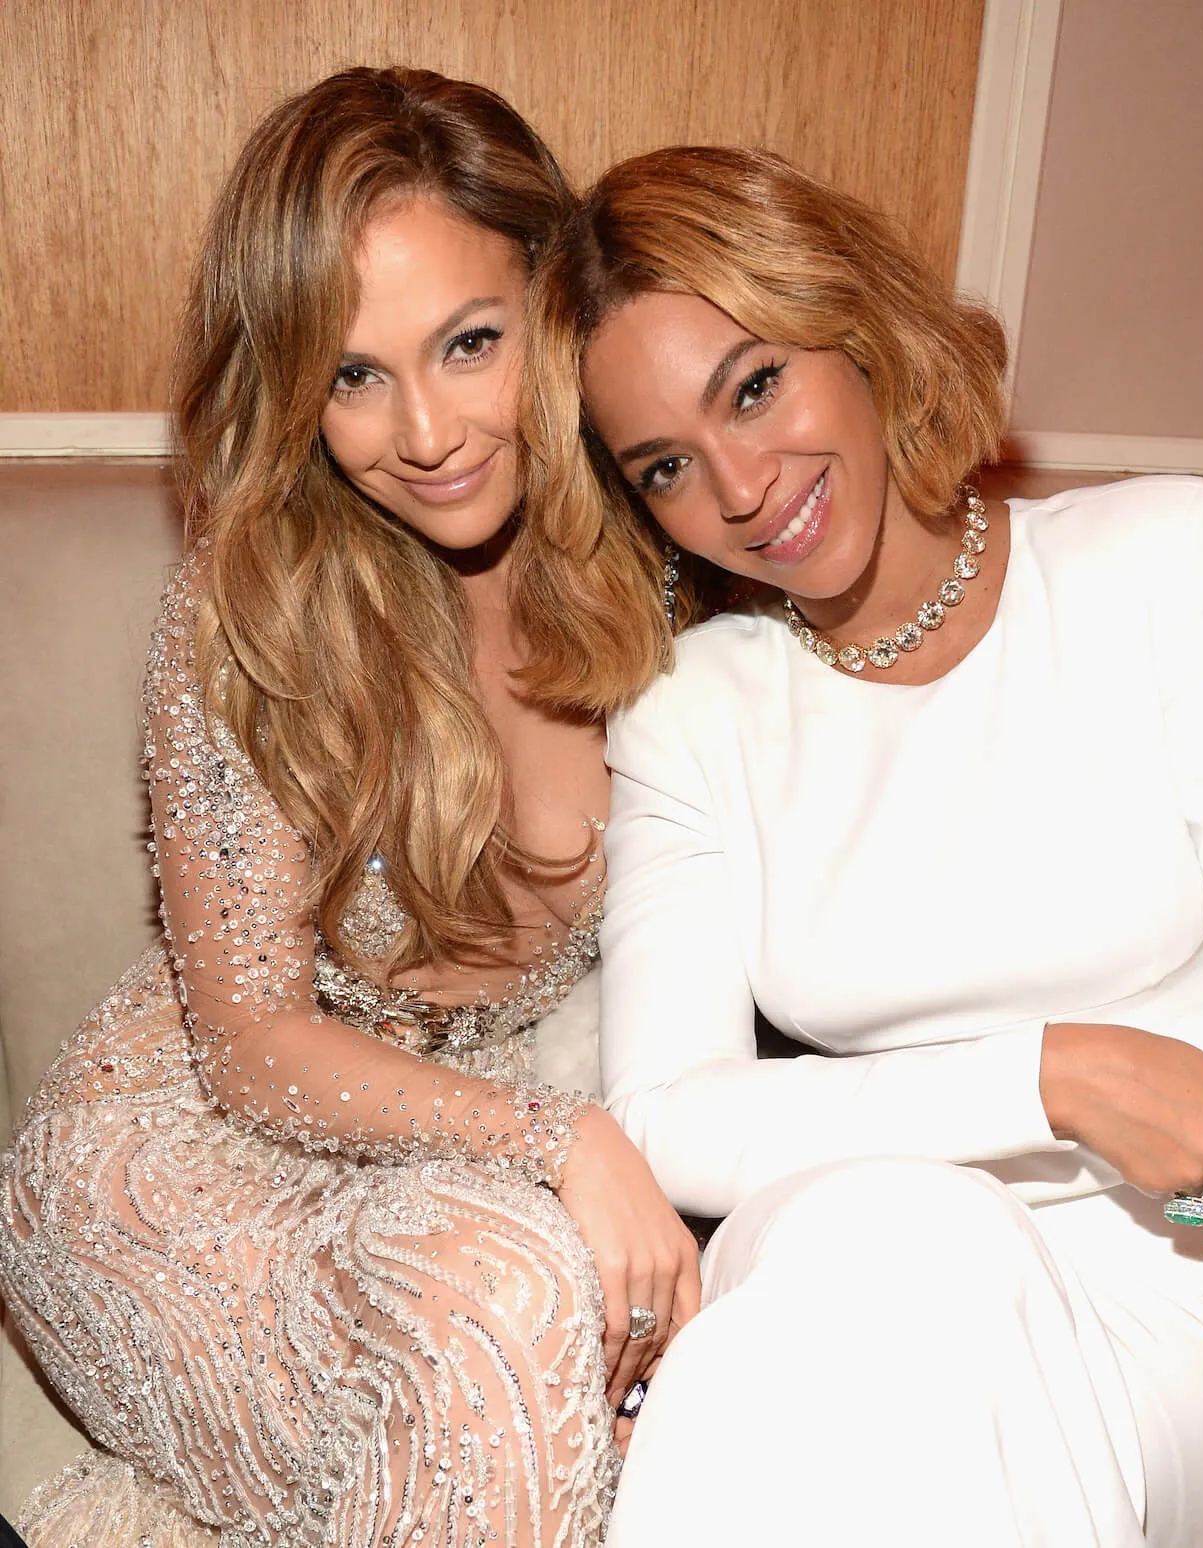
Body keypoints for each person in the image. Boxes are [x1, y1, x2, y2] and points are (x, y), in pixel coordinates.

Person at [515, 145, 1203, 1547]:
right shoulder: (687, 717)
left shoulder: (1161, 563)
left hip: (1181, 1282)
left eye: (758, 385)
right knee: (907, 1236)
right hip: (844, 1265)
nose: (742, 488)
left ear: (858, 327)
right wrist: (1053, 1077)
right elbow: (673, 1117)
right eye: (668, 465)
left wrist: (1080, 1101)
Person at [0, 69, 699, 1548]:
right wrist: (563, 1141)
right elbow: (251, 1046)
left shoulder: (678, 567)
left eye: (469, 343)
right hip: (177, 1158)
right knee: (513, 1284)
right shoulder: (252, 608)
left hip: (439, 1188)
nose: (427, 431)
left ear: (552, 302)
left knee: (540, 1313)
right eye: (352, 373)